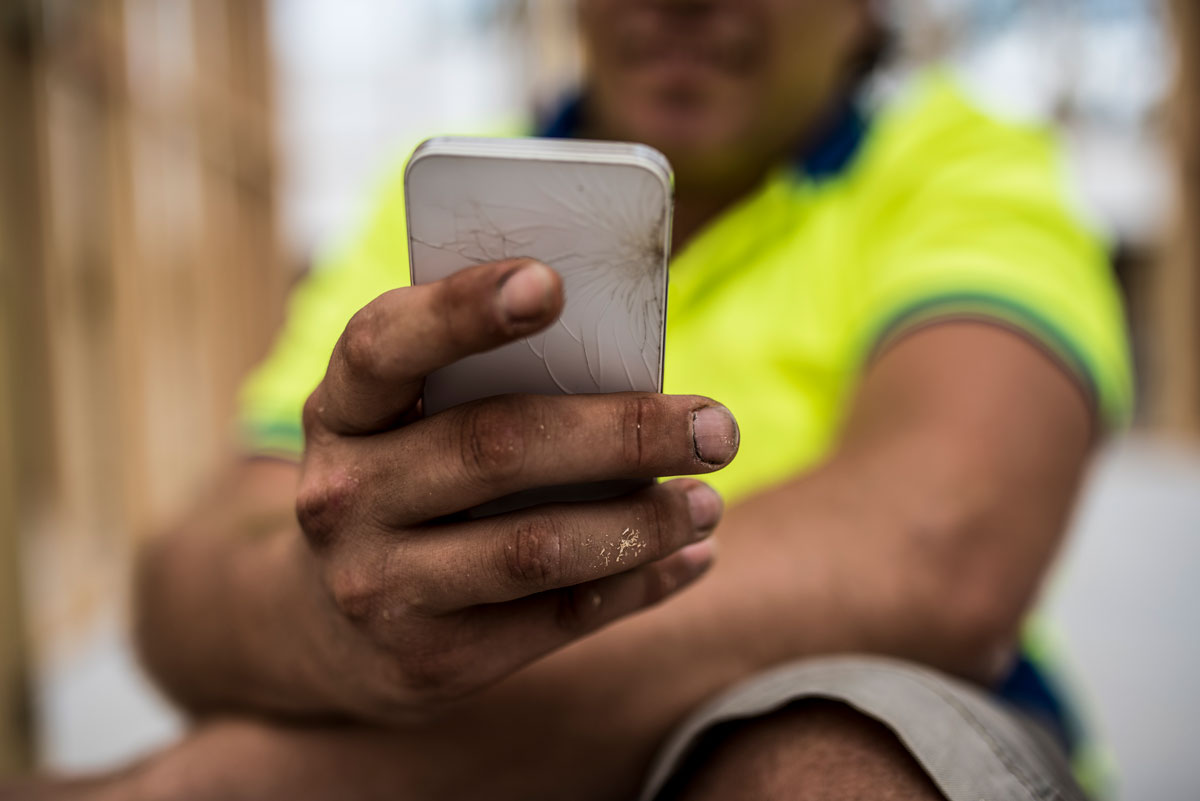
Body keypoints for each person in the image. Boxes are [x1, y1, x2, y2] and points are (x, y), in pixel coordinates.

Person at [11, 1, 1131, 799]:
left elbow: (943, 554)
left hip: (843, 722)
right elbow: (187, 584)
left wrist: (275, 777)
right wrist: (328, 625)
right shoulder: (435, 203)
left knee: (826, 766)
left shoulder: (963, 168)